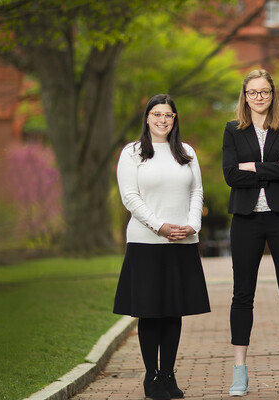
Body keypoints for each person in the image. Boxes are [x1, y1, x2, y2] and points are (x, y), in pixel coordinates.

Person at [222, 69, 279, 396]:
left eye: (264, 92)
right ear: (244, 96)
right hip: (246, 219)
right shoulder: (232, 130)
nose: (258, 97)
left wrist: (255, 168)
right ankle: (239, 371)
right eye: (252, 92)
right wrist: (273, 169)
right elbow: (231, 176)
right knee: (242, 294)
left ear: (273, 94)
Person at [113, 94, 211, 400]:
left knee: (173, 312)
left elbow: (197, 190)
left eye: (168, 115)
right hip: (147, 243)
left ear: (175, 118)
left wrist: (193, 223)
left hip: (183, 241)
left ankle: (168, 374)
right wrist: (160, 226)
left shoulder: (186, 152)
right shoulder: (132, 153)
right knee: (150, 311)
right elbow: (130, 196)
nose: (162, 120)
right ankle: (151, 376)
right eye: (156, 114)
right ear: (147, 118)